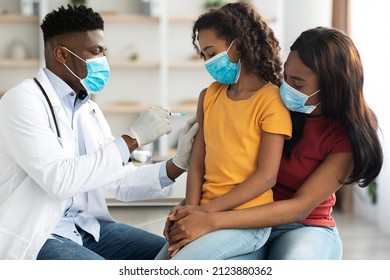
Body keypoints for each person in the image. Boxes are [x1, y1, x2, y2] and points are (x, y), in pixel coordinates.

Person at [162, 26, 383, 260]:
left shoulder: (346, 135)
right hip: (241, 218)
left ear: (332, 87)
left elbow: (300, 207)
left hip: (304, 227)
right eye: (285, 77)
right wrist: (189, 210)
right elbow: (226, 163)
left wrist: (207, 219)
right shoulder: (271, 102)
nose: (286, 88)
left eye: (298, 85)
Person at [0, 4, 199, 260]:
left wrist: (177, 164)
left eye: (104, 52)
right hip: (43, 234)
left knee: (178, 258)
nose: (103, 61)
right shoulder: (22, 101)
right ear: (62, 54)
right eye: (95, 52)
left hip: (91, 229)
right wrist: (132, 139)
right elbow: (59, 180)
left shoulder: (88, 109)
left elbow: (115, 180)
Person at [155, 1, 292, 260]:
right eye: (204, 56)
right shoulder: (209, 96)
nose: (208, 62)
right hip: (204, 211)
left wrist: (206, 214)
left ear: (237, 46)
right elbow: (197, 162)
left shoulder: (271, 100)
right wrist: (189, 213)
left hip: (246, 221)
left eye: (211, 52)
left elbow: (266, 177)